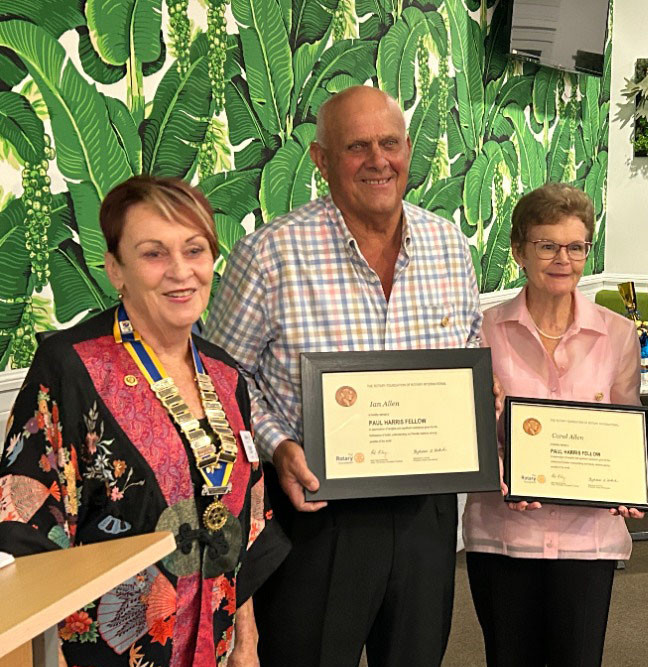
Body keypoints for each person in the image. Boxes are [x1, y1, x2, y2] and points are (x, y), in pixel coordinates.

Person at [203, 86, 483, 667]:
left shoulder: (451, 248)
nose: (378, 160)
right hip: (317, 515)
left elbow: (470, 351)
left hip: (425, 512)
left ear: (409, 150)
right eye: (357, 146)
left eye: (390, 143)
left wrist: (484, 400)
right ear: (321, 159)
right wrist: (278, 446)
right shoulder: (271, 255)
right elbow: (221, 382)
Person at [0, 175, 288, 666]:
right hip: (110, 652)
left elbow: (243, 524)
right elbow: (21, 537)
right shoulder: (72, 369)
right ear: (116, 268)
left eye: (195, 250)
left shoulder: (225, 375)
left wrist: (248, 641)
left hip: (212, 645)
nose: (181, 272)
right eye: (154, 254)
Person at [462, 183, 648, 667]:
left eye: (576, 247)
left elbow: (622, 419)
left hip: (586, 539)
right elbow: (470, 430)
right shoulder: (482, 330)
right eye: (547, 245)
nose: (562, 259)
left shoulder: (617, 334)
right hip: (504, 532)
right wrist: (499, 464)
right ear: (519, 251)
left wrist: (627, 482)